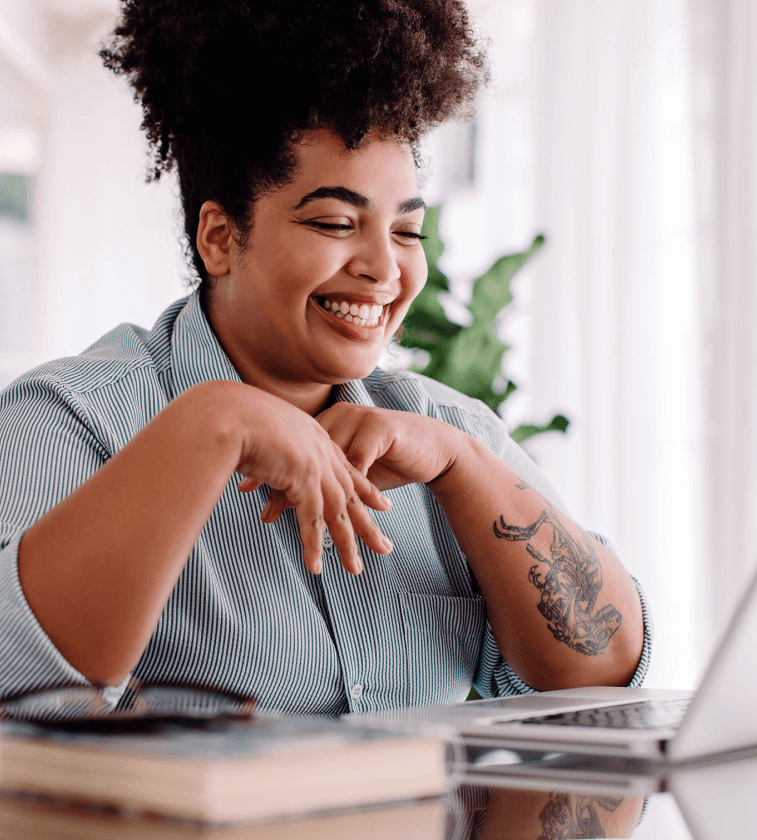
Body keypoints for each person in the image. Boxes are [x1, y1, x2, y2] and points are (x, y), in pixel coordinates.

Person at [0, 0, 650, 716]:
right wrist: (213, 422)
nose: (385, 268)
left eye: (407, 231)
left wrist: (465, 468)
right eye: (337, 223)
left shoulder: (445, 432)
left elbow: (602, 675)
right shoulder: (67, 419)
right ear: (220, 237)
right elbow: (17, 686)